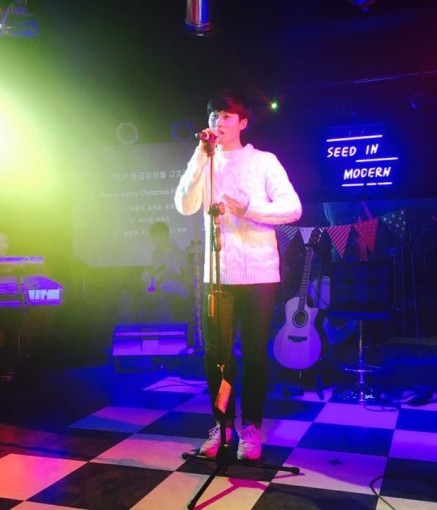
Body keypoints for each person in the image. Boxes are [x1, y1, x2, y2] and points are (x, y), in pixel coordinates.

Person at [174, 89, 302, 460]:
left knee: (255, 354)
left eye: (227, 116)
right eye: (214, 115)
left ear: (242, 122)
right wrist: (201, 154)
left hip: (260, 273)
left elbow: (292, 208)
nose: (219, 121)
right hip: (217, 275)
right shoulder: (205, 159)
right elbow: (184, 205)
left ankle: (252, 427)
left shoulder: (264, 161)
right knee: (216, 354)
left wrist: (247, 207)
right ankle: (222, 423)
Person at [141, 221, 191, 323]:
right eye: (155, 236)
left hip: (177, 288)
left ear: (167, 235)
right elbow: (157, 274)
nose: (158, 239)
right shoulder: (156, 254)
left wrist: (181, 273)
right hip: (161, 288)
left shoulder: (179, 253)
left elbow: (187, 276)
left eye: (161, 235)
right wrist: (149, 276)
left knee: (164, 300)